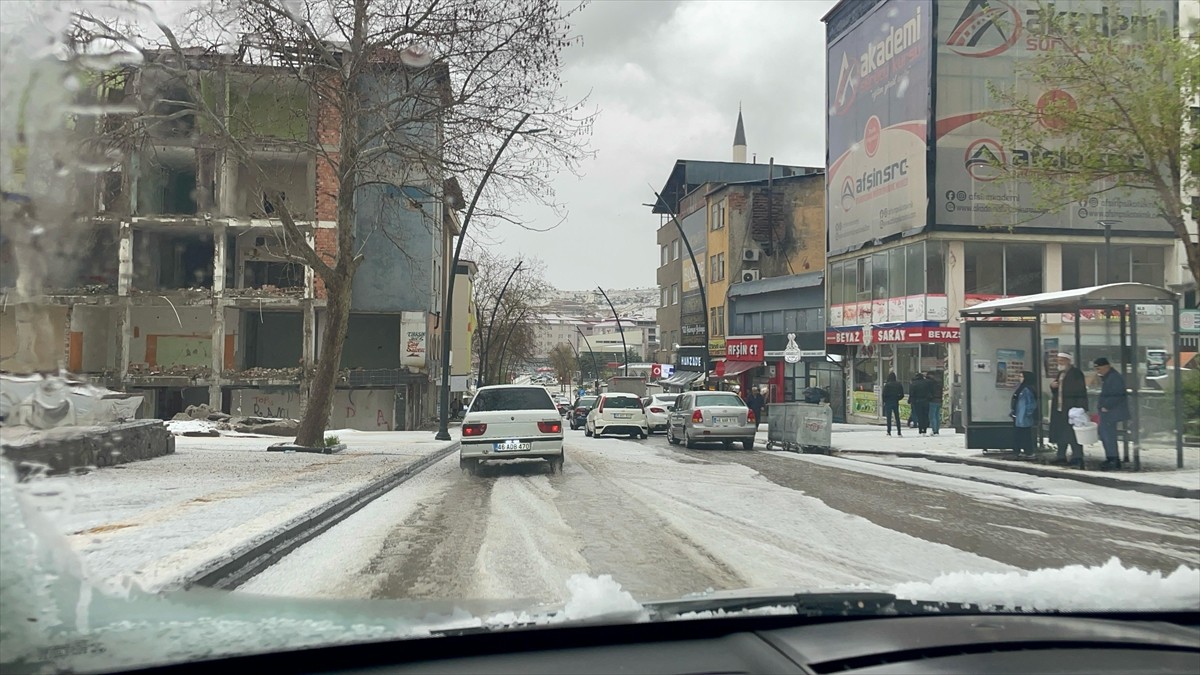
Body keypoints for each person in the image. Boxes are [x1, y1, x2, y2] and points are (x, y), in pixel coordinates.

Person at [1048, 352, 1088, 466]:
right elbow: (1057, 390)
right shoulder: (1060, 374)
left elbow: (1080, 391)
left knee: (1073, 433)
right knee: (1061, 432)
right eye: (1058, 360)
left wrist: (1080, 408)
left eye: (1062, 360)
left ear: (1068, 361)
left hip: (1072, 409)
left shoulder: (1076, 373)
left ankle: (1077, 456)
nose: (1059, 363)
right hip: (1060, 408)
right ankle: (1061, 455)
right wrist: (1053, 387)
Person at [1093, 357, 1129, 470]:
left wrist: (1106, 406)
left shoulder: (1114, 377)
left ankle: (1113, 459)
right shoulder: (1109, 377)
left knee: (1109, 436)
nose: (1098, 371)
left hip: (1111, 412)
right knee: (1105, 435)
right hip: (1109, 411)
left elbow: (1118, 394)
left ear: (1106, 366)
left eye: (1099, 368)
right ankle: (1110, 458)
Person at [1010, 370, 1037, 457]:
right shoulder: (1022, 388)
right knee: (1021, 434)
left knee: (1024, 434)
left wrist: (1028, 413)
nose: (1019, 378)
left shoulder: (1026, 389)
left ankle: (1026, 451)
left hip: (1023, 416)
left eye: (1021, 377)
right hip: (1019, 415)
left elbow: (1031, 403)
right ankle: (1022, 450)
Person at [881, 372, 904, 437]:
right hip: (895, 401)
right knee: (897, 417)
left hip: (888, 402)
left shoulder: (887, 385)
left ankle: (889, 431)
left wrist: (884, 401)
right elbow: (902, 395)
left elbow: (883, 394)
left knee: (889, 418)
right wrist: (897, 398)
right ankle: (899, 432)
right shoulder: (898, 384)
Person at [925, 371, 944, 436]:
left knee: (932, 416)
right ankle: (937, 430)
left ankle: (934, 430)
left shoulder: (931, 383)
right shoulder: (939, 382)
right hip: (939, 400)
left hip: (933, 400)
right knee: (937, 416)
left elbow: (929, 392)